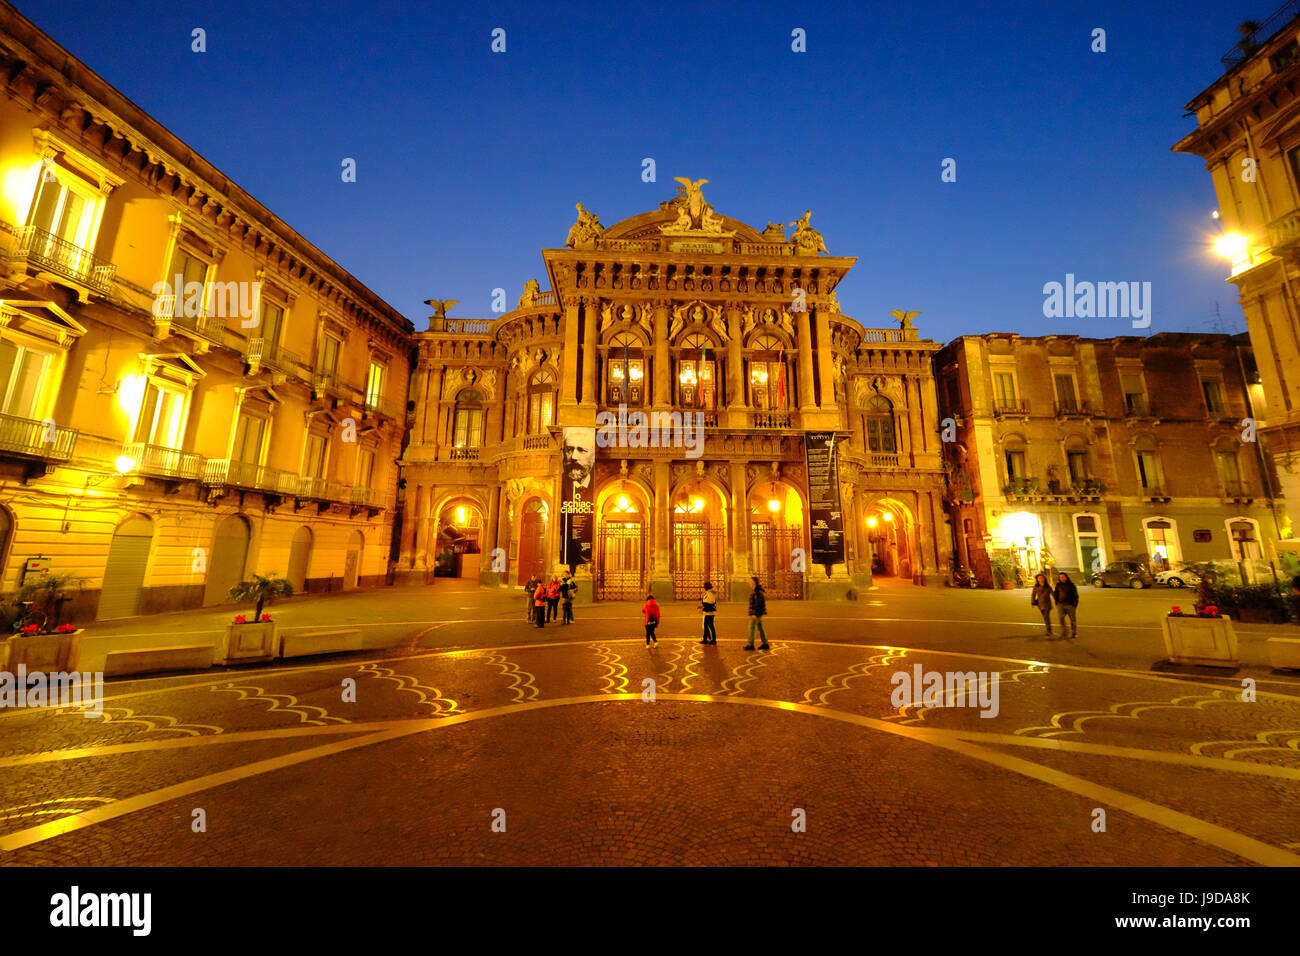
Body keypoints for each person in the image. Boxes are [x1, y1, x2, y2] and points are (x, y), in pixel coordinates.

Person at [745, 576, 769, 651]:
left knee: (751, 627)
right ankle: (765, 643)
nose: (750, 583)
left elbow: (758, 603)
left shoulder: (757, 592)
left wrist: (754, 613)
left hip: (756, 613)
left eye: (751, 582)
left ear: (754, 583)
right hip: (757, 612)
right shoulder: (756, 590)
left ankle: (750, 644)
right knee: (760, 627)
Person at [1054, 571, 1079, 638]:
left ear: (1066, 577)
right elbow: (1055, 594)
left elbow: (1076, 595)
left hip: (1070, 605)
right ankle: (1064, 631)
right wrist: (1057, 603)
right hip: (1061, 605)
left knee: (1072, 620)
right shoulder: (1058, 585)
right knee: (1061, 618)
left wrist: (1074, 605)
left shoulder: (1071, 585)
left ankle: (1074, 632)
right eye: (1060, 577)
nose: (1062, 578)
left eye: (1063, 577)